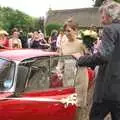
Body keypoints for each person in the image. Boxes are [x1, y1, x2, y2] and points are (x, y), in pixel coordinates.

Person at [73, 1, 120, 120]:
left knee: (95, 117)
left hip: (108, 89)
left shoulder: (110, 29)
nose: (101, 20)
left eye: (103, 17)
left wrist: (82, 59)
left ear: (111, 16)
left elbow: (103, 56)